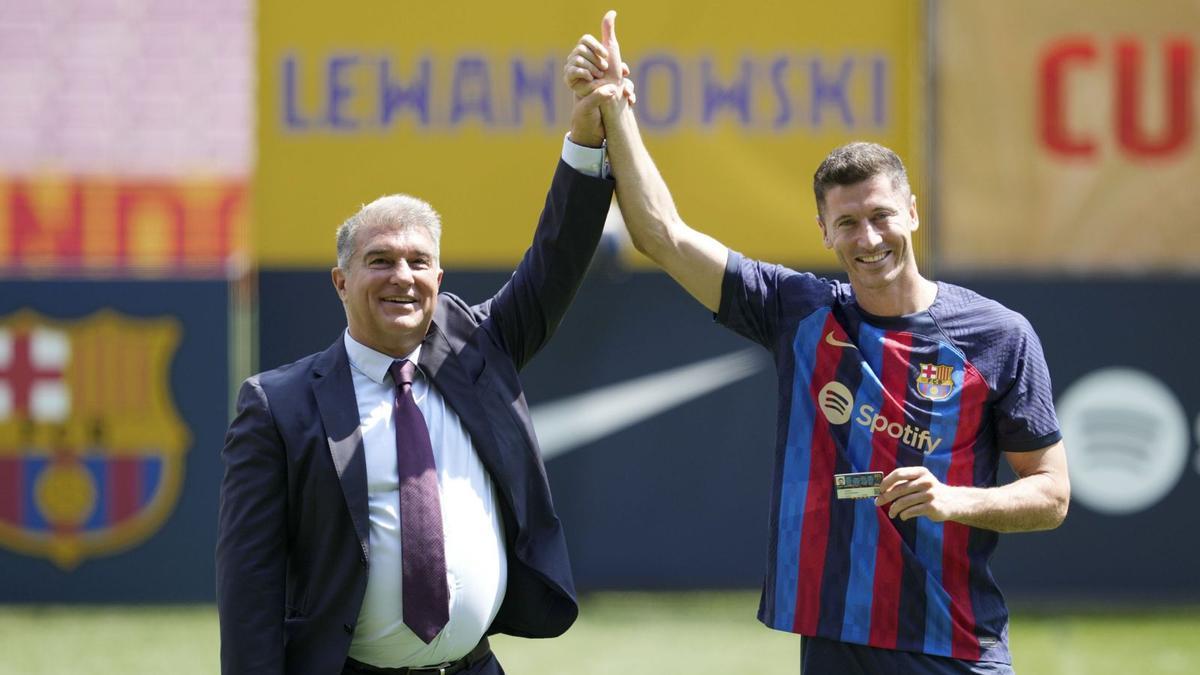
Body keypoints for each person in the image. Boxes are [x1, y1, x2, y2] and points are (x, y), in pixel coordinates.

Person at [564, 12, 1070, 674]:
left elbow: (1051, 493)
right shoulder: (797, 311)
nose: (869, 237)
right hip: (833, 646)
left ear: (912, 213)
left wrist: (955, 499)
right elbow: (662, 234)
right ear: (824, 229)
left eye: (882, 216)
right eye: (848, 222)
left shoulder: (999, 335)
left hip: (954, 648)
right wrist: (615, 109)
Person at [216, 78, 632, 674]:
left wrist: (587, 137)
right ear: (341, 282)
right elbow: (248, 588)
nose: (401, 277)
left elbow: (555, 259)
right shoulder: (277, 407)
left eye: (419, 262)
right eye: (379, 260)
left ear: (438, 280)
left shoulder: (477, 349)